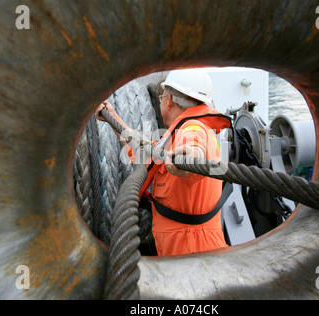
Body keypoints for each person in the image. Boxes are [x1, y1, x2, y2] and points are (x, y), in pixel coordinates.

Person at [96, 69, 232, 256]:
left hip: (190, 252)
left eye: (161, 97)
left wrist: (191, 155)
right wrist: (114, 120)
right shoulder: (185, 132)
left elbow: (194, 147)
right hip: (191, 246)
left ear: (169, 100)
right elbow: (146, 150)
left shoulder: (193, 129)